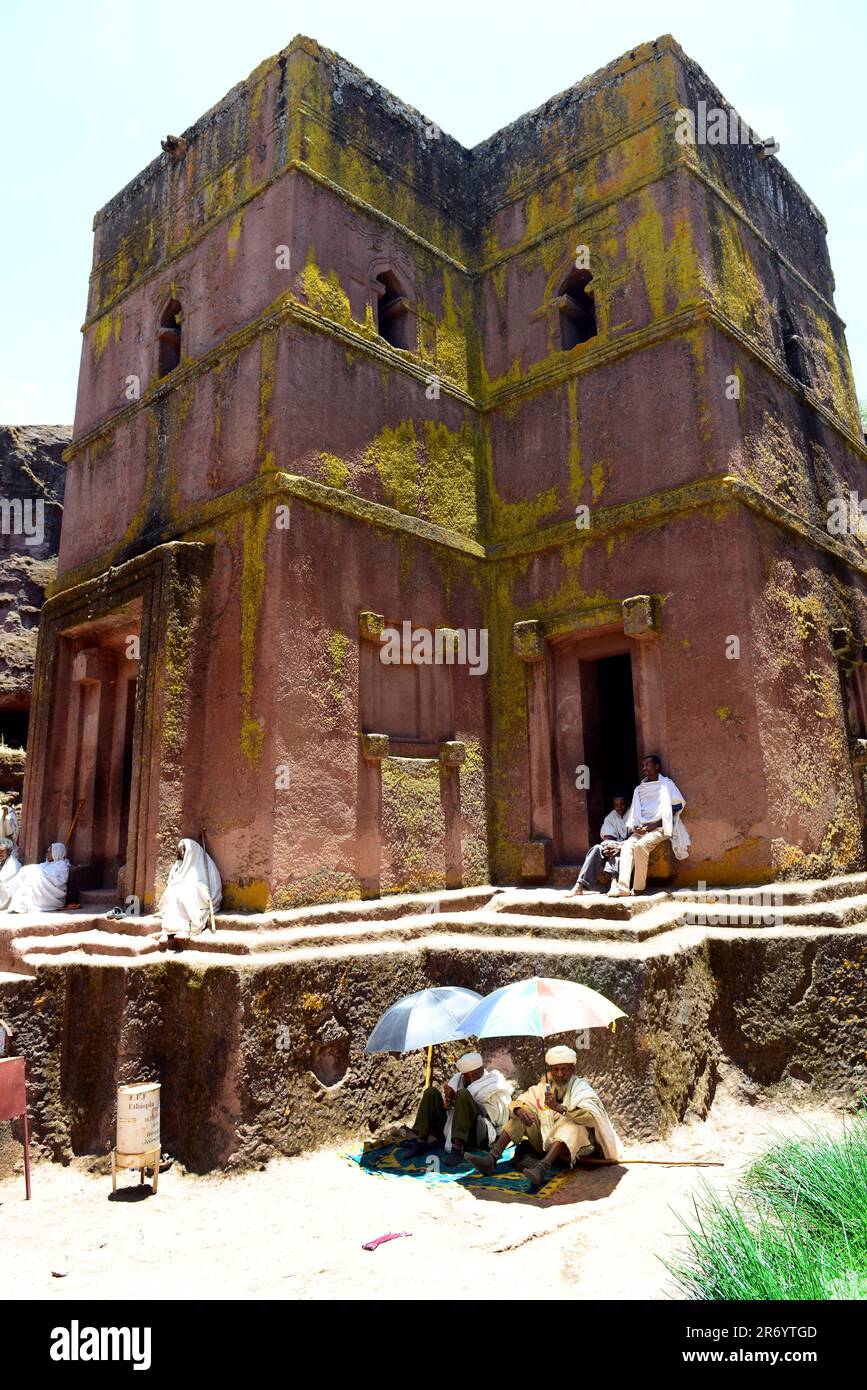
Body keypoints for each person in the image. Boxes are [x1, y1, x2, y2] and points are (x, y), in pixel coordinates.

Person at [472, 1044, 621, 1190]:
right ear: (550, 1070)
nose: (559, 1074)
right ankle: (492, 1159)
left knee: (570, 1125)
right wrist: (519, 1110)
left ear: (572, 1069)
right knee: (523, 1113)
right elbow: (520, 1100)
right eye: (555, 1069)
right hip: (545, 1141)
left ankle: (542, 1168)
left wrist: (559, 1108)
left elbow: (590, 1117)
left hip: (572, 1147)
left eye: (564, 1069)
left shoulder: (581, 1088)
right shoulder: (545, 1087)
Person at [407, 1050, 514, 1169]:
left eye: (475, 1074)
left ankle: (457, 1148)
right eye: (467, 1076)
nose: (472, 1079)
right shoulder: (457, 1080)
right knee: (431, 1092)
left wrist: (458, 1098)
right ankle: (421, 1141)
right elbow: (449, 1109)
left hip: (478, 1132)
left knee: (463, 1094)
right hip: (451, 1128)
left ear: (481, 1069)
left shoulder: (492, 1082)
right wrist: (448, 1102)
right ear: (463, 1074)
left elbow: (492, 1116)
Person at [608, 754, 689, 898]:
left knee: (641, 846)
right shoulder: (639, 789)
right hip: (642, 829)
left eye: (647, 765)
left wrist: (654, 824)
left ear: (656, 766)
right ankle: (623, 887)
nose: (644, 768)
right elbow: (635, 813)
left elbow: (677, 805)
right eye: (643, 765)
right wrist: (637, 827)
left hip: (661, 827)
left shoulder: (666, 785)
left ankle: (638, 887)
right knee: (627, 847)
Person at [152, 838, 221, 945]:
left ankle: (184, 929)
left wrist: (193, 886)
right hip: (181, 891)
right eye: (180, 850)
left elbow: (214, 887)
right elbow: (172, 880)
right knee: (174, 893)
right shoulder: (179, 864)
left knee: (185, 894)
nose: (182, 853)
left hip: (200, 895)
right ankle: (166, 930)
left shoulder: (206, 864)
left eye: (184, 850)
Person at [568, 794, 629, 896]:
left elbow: (635, 837)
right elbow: (608, 838)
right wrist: (610, 846)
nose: (619, 808)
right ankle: (579, 885)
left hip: (627, 847)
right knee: (597, 849)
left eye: (622, 804)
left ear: (627, 804)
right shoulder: (610, 817)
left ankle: (614, 883)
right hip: (611, 845)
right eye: (616, 805)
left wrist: (620, 846)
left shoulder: (633, 814)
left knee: (614, 851)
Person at [5, 843, 69, 914]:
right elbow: (41, 868)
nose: (47, 853)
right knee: (25, 870)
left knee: (34, 876)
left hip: (52, 892)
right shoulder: (48, 864)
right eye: (47, 851)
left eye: (50, 851)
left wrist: (39, 873)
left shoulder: (62, 866)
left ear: (57, 853)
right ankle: (17, 902)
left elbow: (57, 881)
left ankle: (22, 905)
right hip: (43, 883)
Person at [0, 837, 21, 911]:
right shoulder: (2, 861)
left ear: (8, 852)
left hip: (6, 893)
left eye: (2, 851)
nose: (0, 854)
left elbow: (5, 883)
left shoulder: (14, 865)